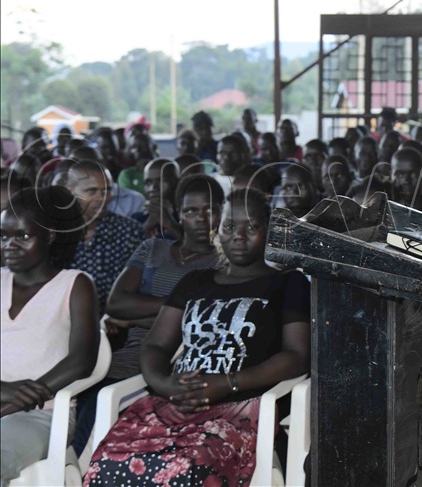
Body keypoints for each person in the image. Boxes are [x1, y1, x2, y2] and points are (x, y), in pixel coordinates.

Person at [84, 188, 312, 486]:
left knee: (186, 466)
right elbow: (156, 344)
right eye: (230, 227)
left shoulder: (287, 282)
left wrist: (228, 382)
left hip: (239, 405)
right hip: (174, 400)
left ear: (269, 231)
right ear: (218, 231)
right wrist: (164, 383)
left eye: (252, 227)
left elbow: (296, 356)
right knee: (109, 462)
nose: (239, 236)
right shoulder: (196, 281)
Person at [71, 174, 225, 457]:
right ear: (178, 214)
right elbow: (117, 304)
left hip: (181, 365)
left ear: (223, 212)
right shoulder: (153, 248)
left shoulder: (225, 261)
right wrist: (177, 305)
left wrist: (140, 313)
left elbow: (204, 323)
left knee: (102, 412)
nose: (201, 218)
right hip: (127, 359)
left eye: (211, 210)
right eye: (191, 210)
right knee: (89, 403)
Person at [1, 186, 99, 487]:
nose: (9, 246)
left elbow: (83, 359)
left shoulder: (75, 285)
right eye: (3, 236)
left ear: (51, 236)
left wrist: (32, 393)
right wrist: (8, 390)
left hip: (42, 413)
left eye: (23, 236)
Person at [63, 159, 147, 314]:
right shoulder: (56, 234)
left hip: (117, 323)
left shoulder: (129, 231)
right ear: (70, 192)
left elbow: (140, 287)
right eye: (92, 191)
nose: (102, 198)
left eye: (106, 190)